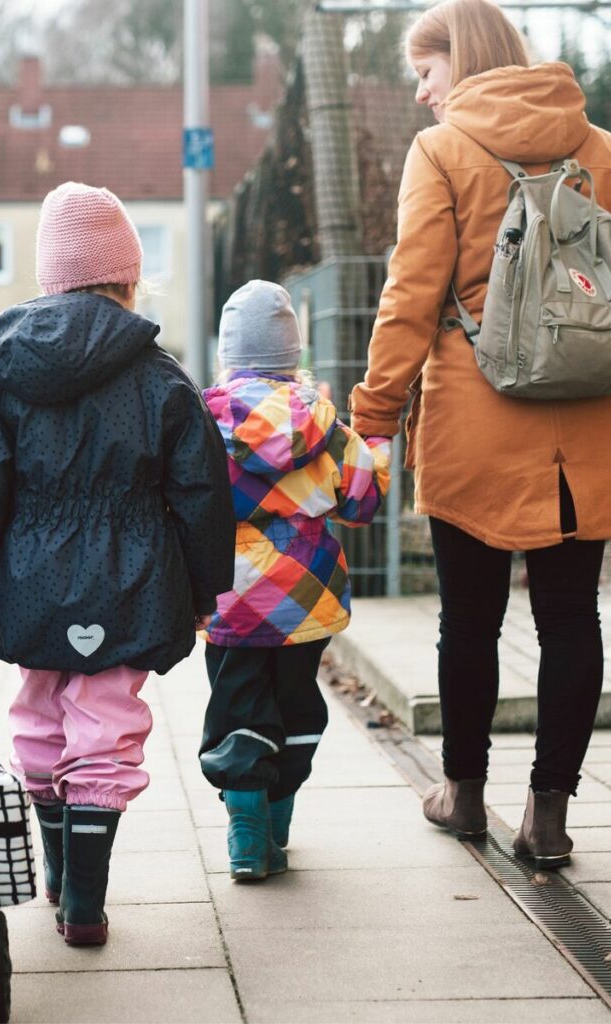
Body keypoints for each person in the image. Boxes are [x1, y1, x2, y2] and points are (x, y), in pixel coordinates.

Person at [349, 0, 611, 868]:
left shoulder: (443, 150)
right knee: (571, 619)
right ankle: (548, 816)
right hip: (587, 421)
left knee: (469, 621)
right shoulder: (603, 150)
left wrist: (374, 415)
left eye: (426, 72)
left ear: (465, 58)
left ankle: (463, 795)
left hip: (474, 418)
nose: (423, 93)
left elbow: (411, 296)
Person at [0, 181, 235, 945]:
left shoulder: (9, 379)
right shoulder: (162, 379)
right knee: (106, 727)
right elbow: (202, 493)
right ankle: (85, 903)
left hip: (30, 586)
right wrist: (204, 590)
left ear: (50, 279)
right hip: (131, 586)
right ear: (128, 279)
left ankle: (58, 872)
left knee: (38, 716)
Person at [200, 280, 389, 881]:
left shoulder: (199, 422)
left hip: (227, 592)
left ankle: (247, 836)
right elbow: (361, 502)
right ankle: (276, 825)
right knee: (297, 702)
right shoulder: (323, 425)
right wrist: (377, 445)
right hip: (305, 595)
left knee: (237, 703)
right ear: (293, 354)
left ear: (228, 354)